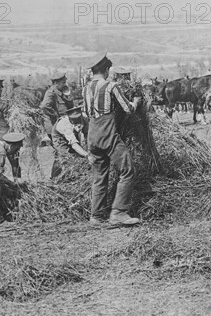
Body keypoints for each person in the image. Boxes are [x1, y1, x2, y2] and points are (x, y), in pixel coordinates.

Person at [83, 54, 141, 227]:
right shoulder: (111, 86)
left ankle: (96, 216)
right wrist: (136, 101)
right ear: (107, 69)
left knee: (100, 176)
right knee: (128, 170)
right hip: (107, 134)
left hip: (92, 137)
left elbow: (86, 114)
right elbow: (128, 109)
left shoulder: (86, 88)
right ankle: (119, 212)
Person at [50, 105, 90, 179]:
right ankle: (54, 178)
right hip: (60, 137)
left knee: (78, 154)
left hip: (73, 133)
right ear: (70, 119)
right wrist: (87, 155)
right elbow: (74, 144)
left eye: (79, 120)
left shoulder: (85, 118)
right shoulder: (65, 125)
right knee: (64, 156)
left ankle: (78, 174)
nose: (78, 123)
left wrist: (89, 150)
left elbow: (87, 134)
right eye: (75, 122)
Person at [40, 72, 75, 139]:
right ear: (56, 83)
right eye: (63, 82)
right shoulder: (51, 93)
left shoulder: (61, 91)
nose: (65, 84)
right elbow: (44, 106)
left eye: (65, 82)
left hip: (64, 125)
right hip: (55, 127)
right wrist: (56, 116)